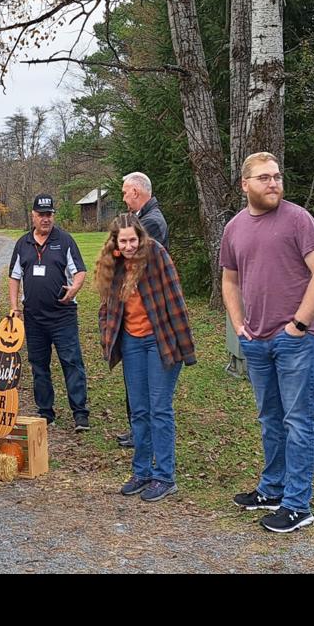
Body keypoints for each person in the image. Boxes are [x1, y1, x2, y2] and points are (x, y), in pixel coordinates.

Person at [221, 152, 314, 534]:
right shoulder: (234, 228)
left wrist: (298, 325)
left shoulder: (298, 219)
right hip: (256, 343)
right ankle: (272, 489)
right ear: (245, 184)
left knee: (298, 421)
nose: (273, 183)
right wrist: (239, 326)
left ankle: (298, 504)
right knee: (271, 420)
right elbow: (230, 281)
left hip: (295, 343)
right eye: (264, 178)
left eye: (277, 177)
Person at [95, 213, 195, 502]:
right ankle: (141, 471)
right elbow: (107, 305)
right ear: (115, 240)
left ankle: (164, 475)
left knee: (159, 409)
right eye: (123, 240)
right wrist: (107, 332)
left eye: (132, 239)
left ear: (141, 237)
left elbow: (175, 297)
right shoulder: (112, 263)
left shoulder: (156, 255)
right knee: (138, 410)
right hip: (132, 342)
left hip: (161, 340)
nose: (128, 246)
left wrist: (184, 347)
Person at [7, 193, 90, 431]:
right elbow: (14, 277)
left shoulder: (64, 240)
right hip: (34, 317)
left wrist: (73, 289)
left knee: (71, 362)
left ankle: (80, 414)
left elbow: (80, 271)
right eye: (41, 215)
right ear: (33, 216)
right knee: (39, 365)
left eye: (49, 215)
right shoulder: (23, 244)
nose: (45, 219)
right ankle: (46, 412)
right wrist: (14, 307)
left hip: (63, 316)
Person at [115, 172, 169, 448]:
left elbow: (130, 258)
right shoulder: (143, 219)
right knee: (136, 386)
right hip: (134, 313)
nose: (123, 198)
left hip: (149, 317)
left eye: (125, 192)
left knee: (149, 389)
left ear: (136, 191)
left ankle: (143, 435)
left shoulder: (152, 222)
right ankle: (138, 430)